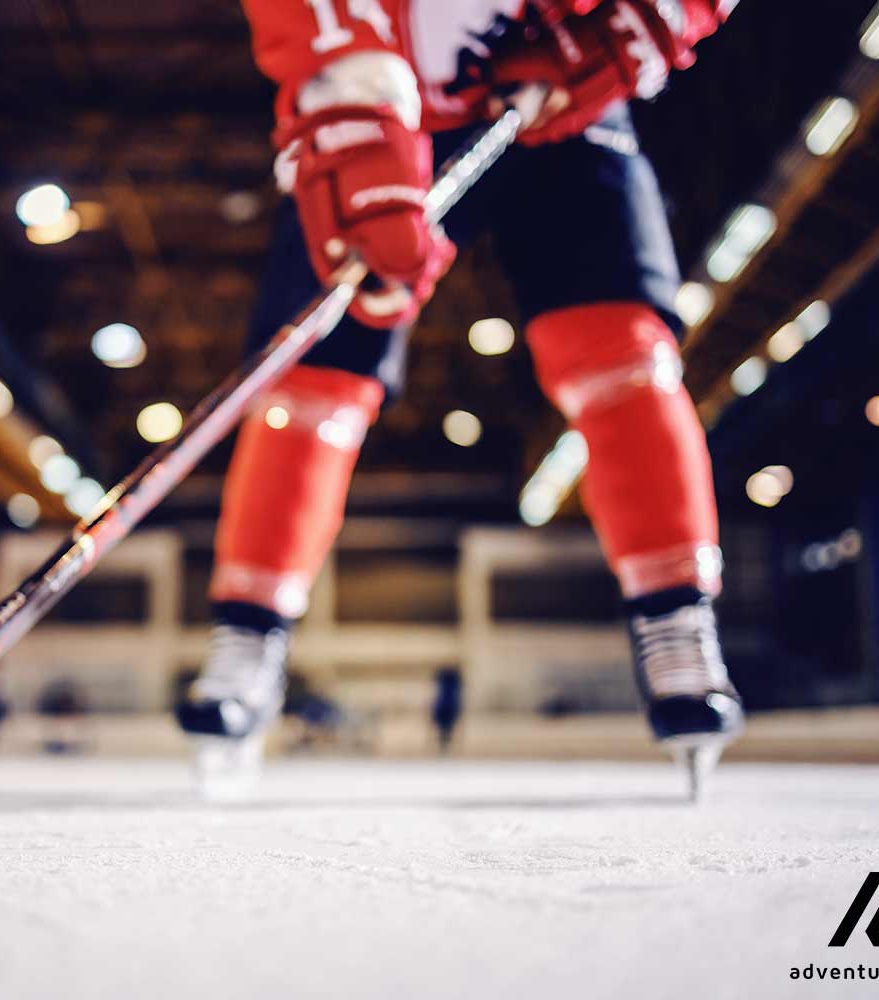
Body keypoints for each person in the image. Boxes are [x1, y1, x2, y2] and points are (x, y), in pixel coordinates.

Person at [176, 0, 745, 792]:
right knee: (312, 381)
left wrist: (647, 15)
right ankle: (247, 641)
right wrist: (349, 104)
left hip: (560, 87)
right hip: (390, 105)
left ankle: (677, 626)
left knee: (621, 352)